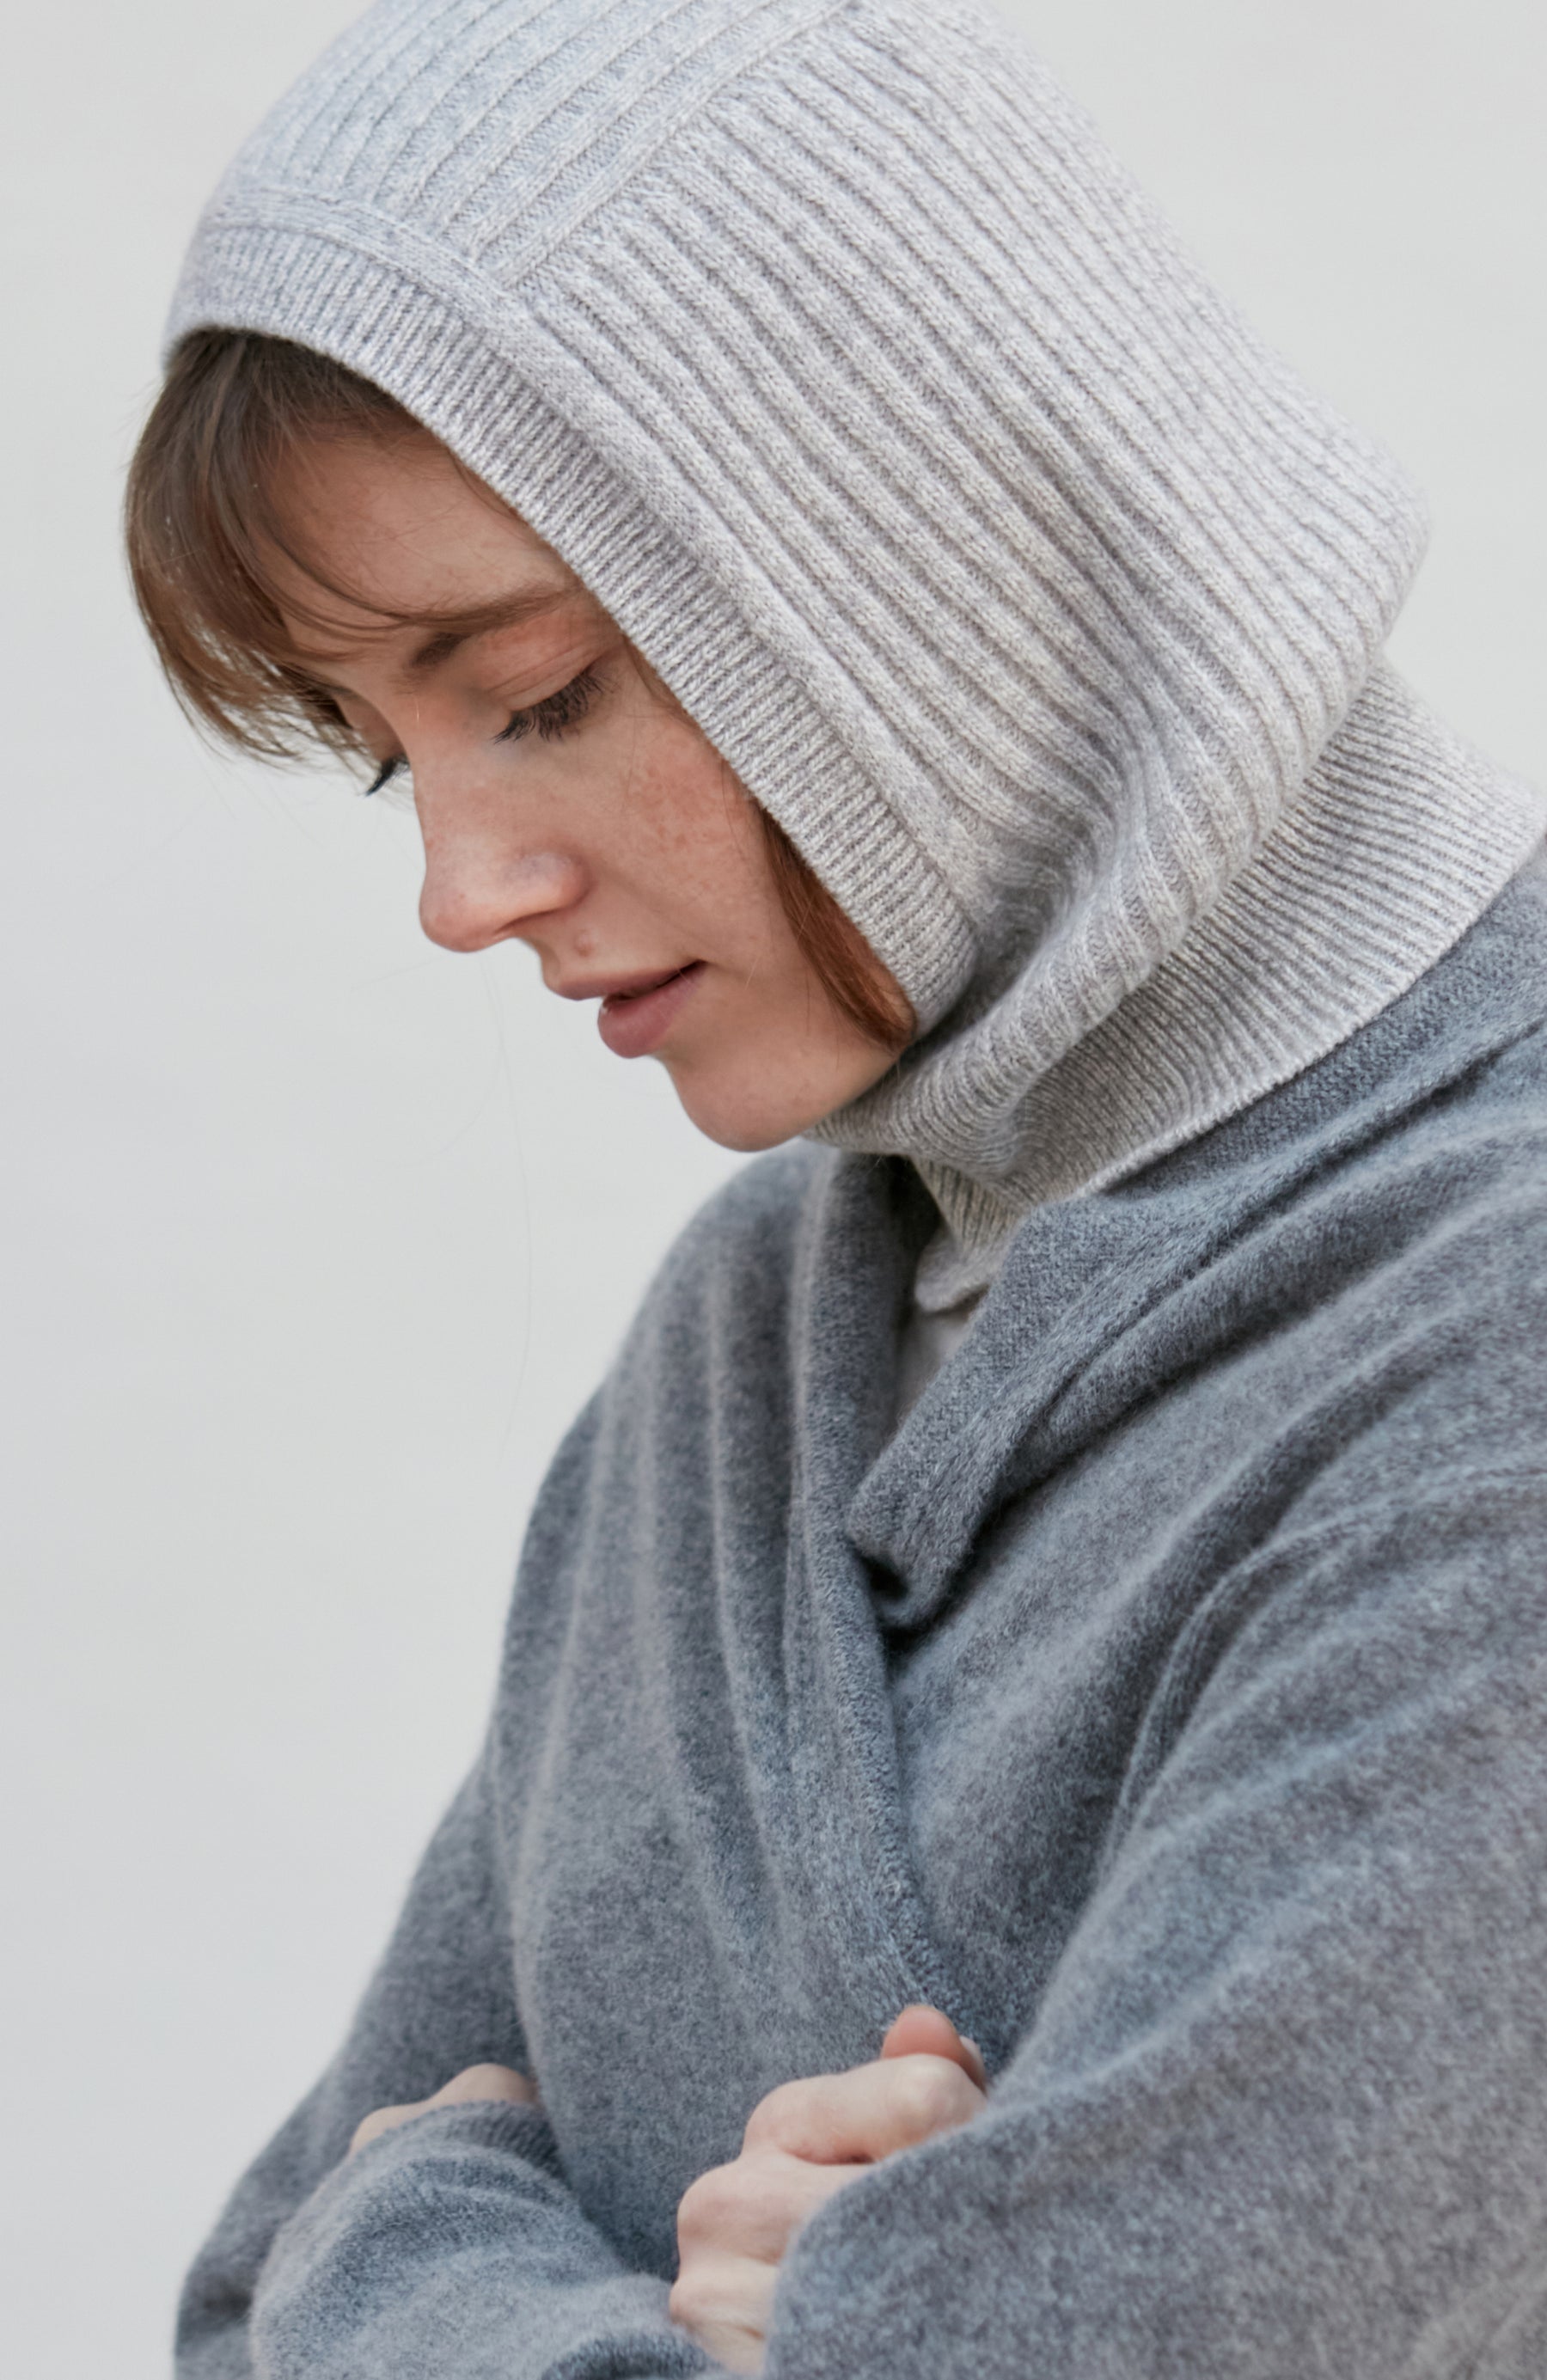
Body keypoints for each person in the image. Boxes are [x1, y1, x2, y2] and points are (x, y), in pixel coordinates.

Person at [128, 0, 1547, 2372]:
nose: (463, 887)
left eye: (537, 690)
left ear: (911, 562)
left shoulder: (1493, 1359)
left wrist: (411, 2249)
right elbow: (229, 2305)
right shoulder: (745, 1349)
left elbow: (327, 2266)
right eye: (395, 763)